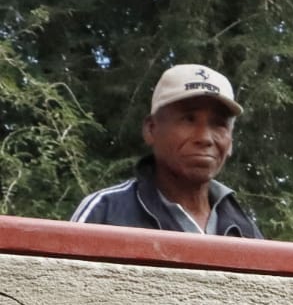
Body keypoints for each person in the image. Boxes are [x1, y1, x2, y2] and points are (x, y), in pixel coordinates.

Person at [70, 65, 262, 237]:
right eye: (188, 119)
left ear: (231, 142)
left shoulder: (244, 229)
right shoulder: (105, 212)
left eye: (218, 124)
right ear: (151, 129)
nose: (204, 138)